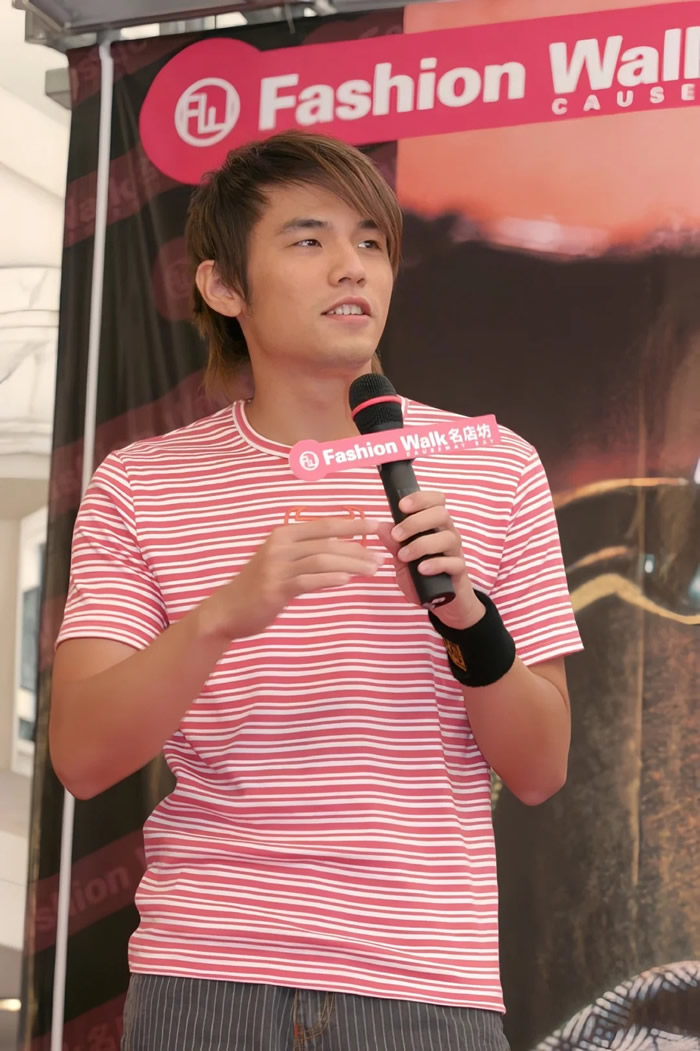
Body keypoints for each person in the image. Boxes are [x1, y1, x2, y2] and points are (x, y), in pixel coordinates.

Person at [50, 130, 582, 1051]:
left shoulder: (494, 466)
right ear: (224, 286)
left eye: (372, 241)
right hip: (206, 977)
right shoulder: (143, 484)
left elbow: (541, 769)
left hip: (426, 983)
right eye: (310, 239)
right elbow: (83, 755)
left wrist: (467, 617)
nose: (353, 266)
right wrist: (222, 617)